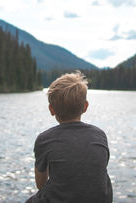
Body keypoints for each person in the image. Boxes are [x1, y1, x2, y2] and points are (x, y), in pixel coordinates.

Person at [26, 71, 113, 203]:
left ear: (51, 109)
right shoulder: (99, 134)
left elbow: (41, 185)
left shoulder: (44, 139)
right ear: (85, 107)